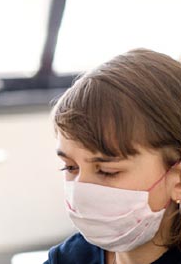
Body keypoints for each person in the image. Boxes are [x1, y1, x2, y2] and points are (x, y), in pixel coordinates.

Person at [49, 48, 181, 264]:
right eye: (70, 167)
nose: (82, 188)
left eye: (107, 171)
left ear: (177, 180)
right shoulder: (71, 256)